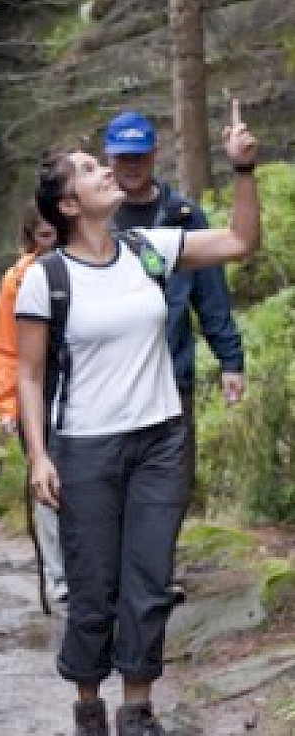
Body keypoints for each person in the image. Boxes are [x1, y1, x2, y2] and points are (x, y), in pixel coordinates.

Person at [15, 99, 259, 736]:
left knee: (149, 581)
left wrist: (244, 170)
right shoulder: (46, 280)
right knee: (94, 587)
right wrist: (39, 454)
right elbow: (31, 378)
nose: (104, 171)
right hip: (86, 446)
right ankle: (89, 715)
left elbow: (240, 243)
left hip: (160, 440)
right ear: (68, 205)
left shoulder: (148, 248)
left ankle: (139, 714)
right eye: (90, 169)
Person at [105, 111, 245, 511]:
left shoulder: (182, 215)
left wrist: (230, 360)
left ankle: (157, 570)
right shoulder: (94, 217)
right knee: (112, 484)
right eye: (123, 157)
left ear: (155, 155)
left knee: (171, 483)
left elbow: (211, 293)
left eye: (140, 157)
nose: (132, 166)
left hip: (171, 371)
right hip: (109, 376)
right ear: (108, 158)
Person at [0, 203, 65, 606]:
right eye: (45, 235)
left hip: (85, 386)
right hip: (37, 390)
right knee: (46, 478)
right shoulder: (18, 280)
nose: (53, 243)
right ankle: (58, 575)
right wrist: (6, 405)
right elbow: (5, 347)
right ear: (31, 237)